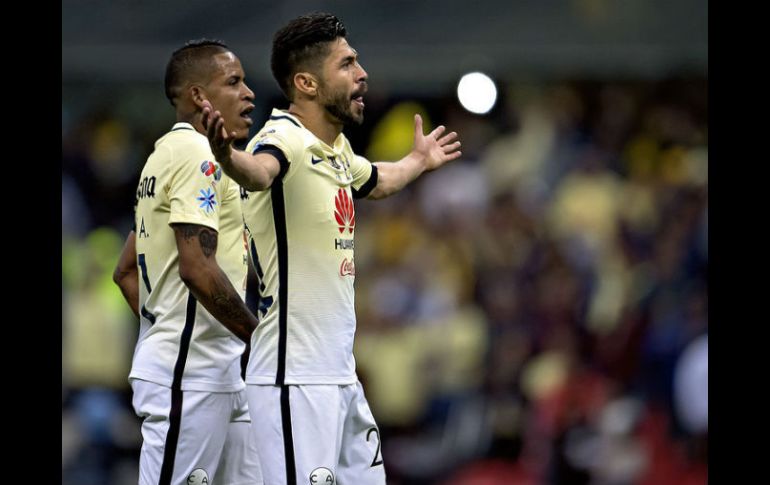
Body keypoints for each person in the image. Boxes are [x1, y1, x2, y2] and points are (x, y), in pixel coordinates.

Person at [201, 12, 461, 485]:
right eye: (346, 64)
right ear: (307, 83)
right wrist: (224, 153)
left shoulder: (335, 151)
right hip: (293, 377)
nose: (361, 74)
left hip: (340, 375)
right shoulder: (283, 138)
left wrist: (418, 161)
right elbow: (259, 171)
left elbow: (377, 181)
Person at [113, 39, 262, 485]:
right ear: (199, 96)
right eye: (234, 82)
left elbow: (124, 272)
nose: (249, 93)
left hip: (215, 370)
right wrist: (263, 339)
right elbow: (195, 267)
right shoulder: (198, 154)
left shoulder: (161, 157)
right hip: (191, 375)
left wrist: (164, 326)